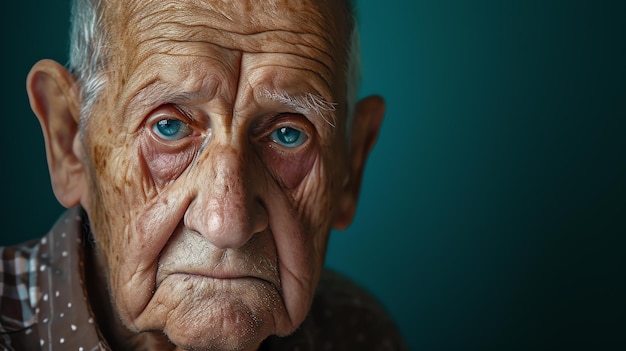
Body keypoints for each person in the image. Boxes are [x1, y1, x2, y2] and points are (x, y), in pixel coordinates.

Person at [0, 0, 405, 349]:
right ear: (70, 141)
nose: (226, 223)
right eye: (169, 127)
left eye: (288, 133)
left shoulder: (359, 335)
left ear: (349, 166)